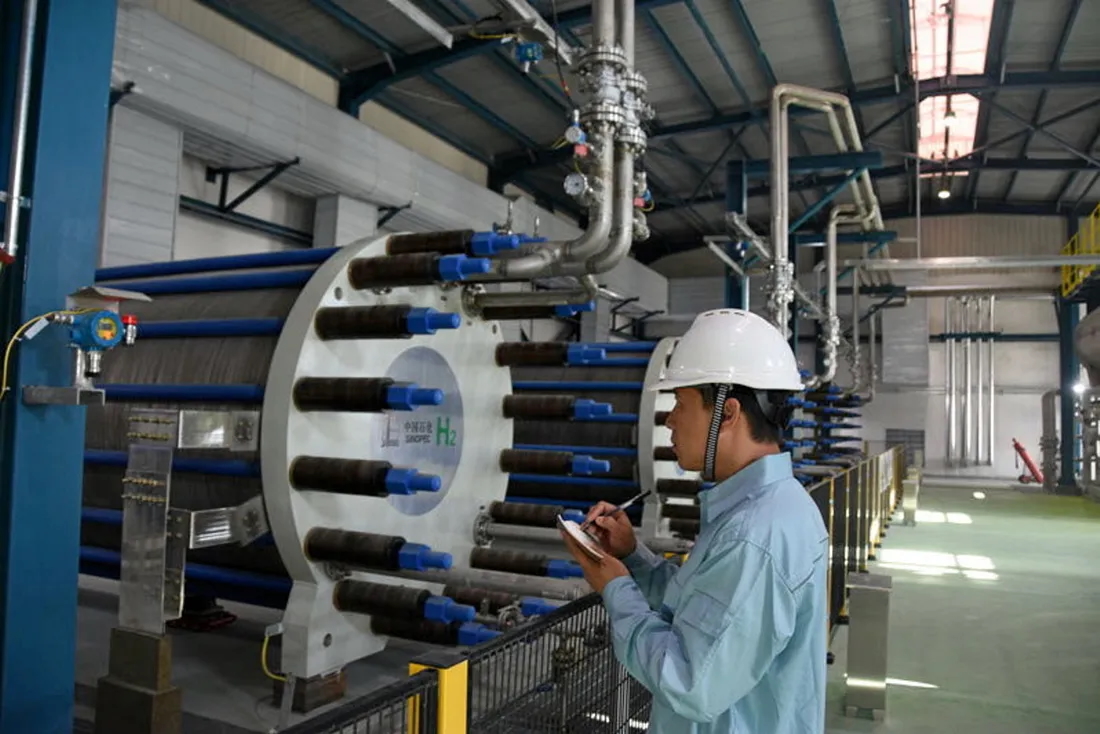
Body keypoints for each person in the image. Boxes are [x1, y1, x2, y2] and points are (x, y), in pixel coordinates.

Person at [560, 308, 829, 734]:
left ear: (728, 413)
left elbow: (690, 683)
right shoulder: (769, 509)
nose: (669, 419)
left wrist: (615, 587)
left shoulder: (754, 536)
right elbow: (702, 610)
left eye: (681, 404)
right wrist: (632, 557)